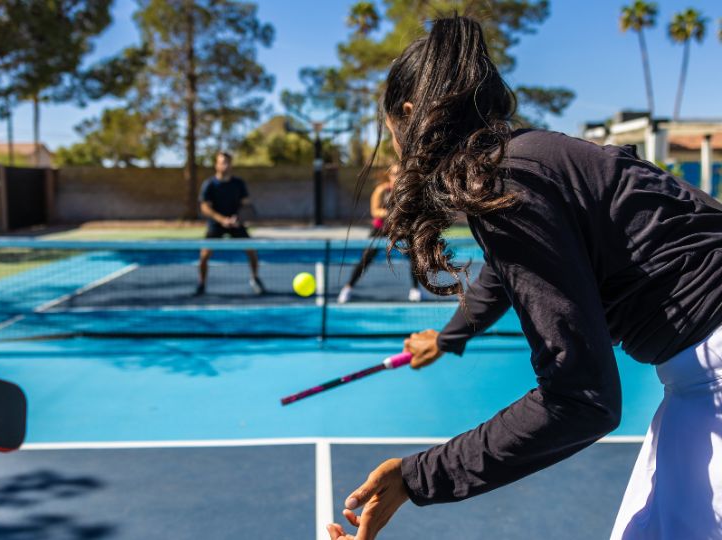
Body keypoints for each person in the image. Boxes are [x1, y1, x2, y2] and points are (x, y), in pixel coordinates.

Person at [327, 16, 722, 540]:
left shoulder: (508, 180)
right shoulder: (530, 159)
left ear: (408, 116)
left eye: (390, 131)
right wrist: (449, 338)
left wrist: (416, 477)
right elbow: (506, 270)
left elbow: (581, 398)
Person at [337, 163, 421, 304]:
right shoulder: (381, 190)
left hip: (401, 229)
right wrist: (392, 213)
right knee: (366, 259)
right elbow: (374, 211)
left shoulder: (407, 191)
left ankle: (415, 290)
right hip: (381, 230)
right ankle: (347, 288)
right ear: (389, 176)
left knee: (415, 259)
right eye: (394, 173)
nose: (397, 176)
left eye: (400, 173)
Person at [196, 150, 265, 296]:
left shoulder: (238, 184)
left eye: (227, 162)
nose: (225, 165)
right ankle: (201, 284)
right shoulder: (209, 185)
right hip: (216, 225)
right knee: (204, 255)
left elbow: (246, 204)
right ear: (216, 165)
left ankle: (255, 279)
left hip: (236, 224)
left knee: (252, 251)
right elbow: (205, 208)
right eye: (222, 162)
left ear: (231, 165)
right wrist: (222, 220)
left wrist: (237, 219)